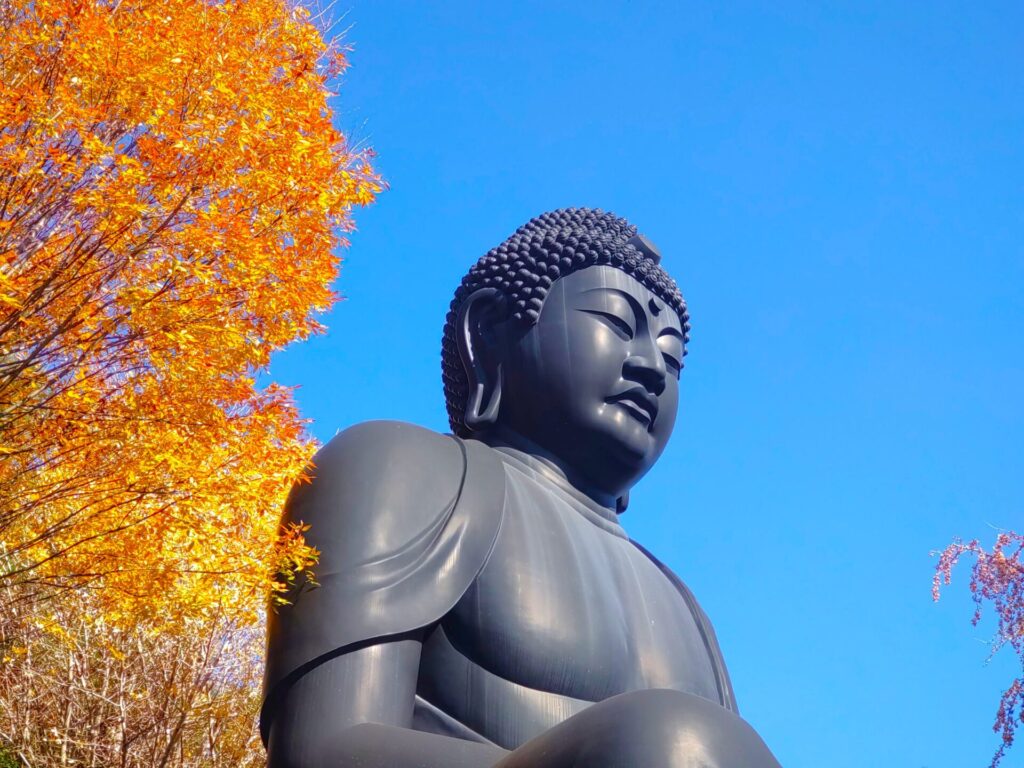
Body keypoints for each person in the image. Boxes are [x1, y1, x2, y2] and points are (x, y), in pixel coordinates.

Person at [262, 209, 782, 767]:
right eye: (615, 321)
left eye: (671, 356)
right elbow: (322, 749)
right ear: (487, 330)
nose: (652, 367)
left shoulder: (685, 606)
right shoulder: (402, 467)